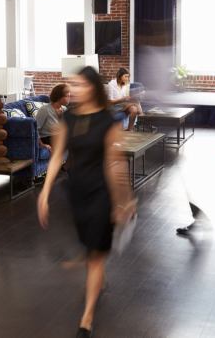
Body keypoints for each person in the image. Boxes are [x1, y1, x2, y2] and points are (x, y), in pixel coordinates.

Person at [37, 66, 136, 337]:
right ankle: (98, 273)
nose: (74, 90)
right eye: (72, 86)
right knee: (92, 247)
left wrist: (124, 201)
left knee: (94, 257)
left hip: (101, 194)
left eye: (79, 85)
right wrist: (44, 193)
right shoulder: (68, 118)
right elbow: (57, 156)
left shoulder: (107, 120)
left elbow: (116, 165)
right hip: (77, 193)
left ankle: (87, 318)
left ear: (92, 88)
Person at [36, 83, 70, 151]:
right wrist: (42, 144)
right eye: (67, 96)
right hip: (47, 138)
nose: (69, 98)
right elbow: (35, 129)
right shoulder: (45, 110)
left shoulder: (64, 109)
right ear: (59, 97)